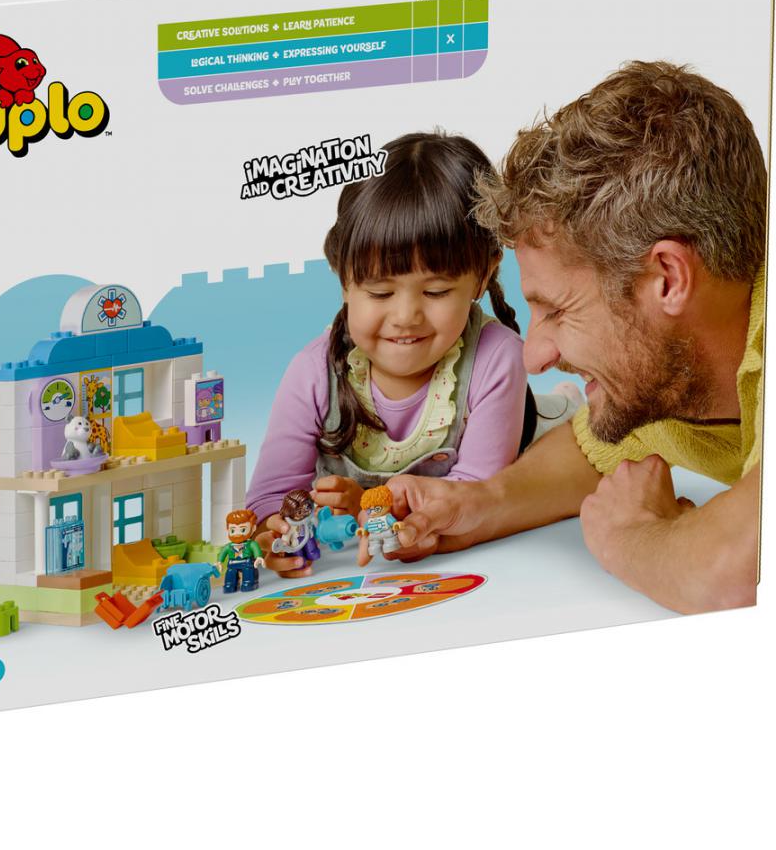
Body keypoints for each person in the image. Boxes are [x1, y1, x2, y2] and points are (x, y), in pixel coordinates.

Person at [359, 62, 764, 614]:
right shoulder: (671, 360)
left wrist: (632, 534)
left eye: (556, 310)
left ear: (668, 279)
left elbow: (737, 575)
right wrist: (479, 503)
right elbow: (592, 446)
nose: (533, 356)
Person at [247, 132, 536, 578]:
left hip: (524, 442)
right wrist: (277, 532)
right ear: (344, 280)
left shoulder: (496, 360)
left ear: (483, 277)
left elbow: (473, 499)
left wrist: (366, 506)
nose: (405, 317)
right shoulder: (313, 373)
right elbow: (271, 497)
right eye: (380, 292)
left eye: (436, 291)